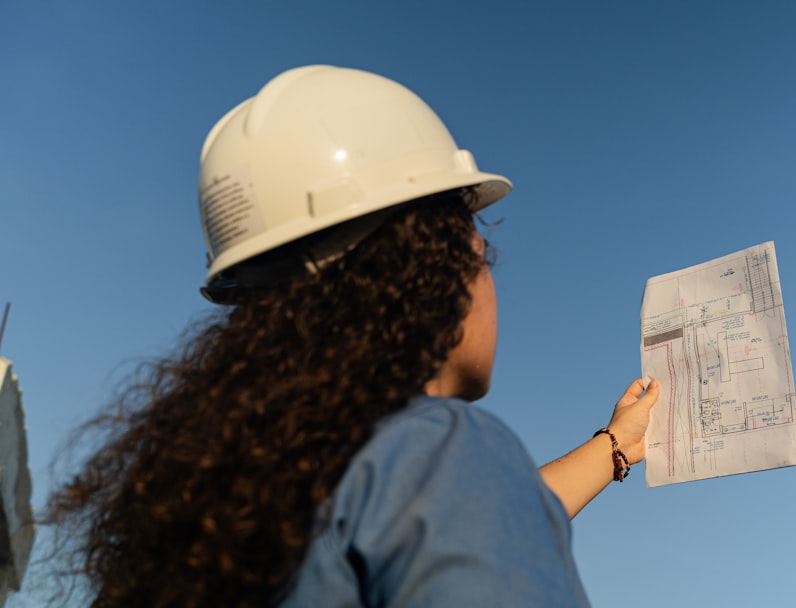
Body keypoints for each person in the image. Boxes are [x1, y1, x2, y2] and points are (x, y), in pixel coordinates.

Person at [46, 65, 659, 607]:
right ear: (435, 264)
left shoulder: (229, 485)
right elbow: (451, 512)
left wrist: (615, 446)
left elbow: (464, 519)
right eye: (480, 250)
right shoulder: (439, 451)